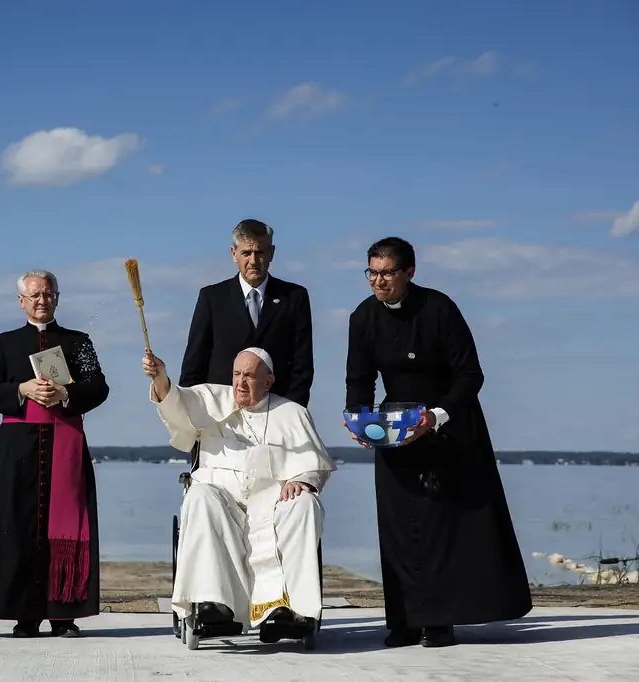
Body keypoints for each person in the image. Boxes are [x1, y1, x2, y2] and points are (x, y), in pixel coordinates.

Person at [344, 237, 531, 648]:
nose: (378, 281)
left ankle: (440, 622)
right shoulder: (362, 317)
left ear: (410, 272)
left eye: (387, 273)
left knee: (443, 526)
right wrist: (357, 419)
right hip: (395, 429)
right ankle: (405, 620)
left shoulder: (439, 308)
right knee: (398, 525)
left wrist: (436, 416)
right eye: (372, 273)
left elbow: (470, 374)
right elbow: (359, 378)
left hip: (450, 425)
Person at [142, 346, 336, 634]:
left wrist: (303, 481)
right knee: (199, 495)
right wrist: (160, 378)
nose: (240, 383)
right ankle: (215, 606)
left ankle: (292, 611)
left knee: (305, 504)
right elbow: (176, 403)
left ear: (268, 382)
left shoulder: (292, 413)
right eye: (236, 374)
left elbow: (314, 464)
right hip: (222, 500)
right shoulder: (211, 400)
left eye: (249, 376)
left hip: (273, 503)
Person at [0, 269, 110, 638]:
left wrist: (66, 394)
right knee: (18, 528)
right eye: (35, 295)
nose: (42, 300)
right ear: (22, 301)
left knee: (65, 527)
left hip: (65, 443)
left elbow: (99, 388)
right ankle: (24, 615)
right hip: (18, 448)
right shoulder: (5, 343)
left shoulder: (78, 342)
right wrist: (22, 389)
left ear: (57, 298)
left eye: (48, 294)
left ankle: (63, 617)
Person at [180, 218, 314, 407]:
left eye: (260, 252)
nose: (253, 261)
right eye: (246, 253)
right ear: (234, 254)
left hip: (276, 410)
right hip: (221, 413)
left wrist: (290, 411)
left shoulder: (294, 298)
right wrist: (190, 411)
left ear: (271, 253)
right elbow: (194, 365)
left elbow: (302, 365)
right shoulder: (212, 298)